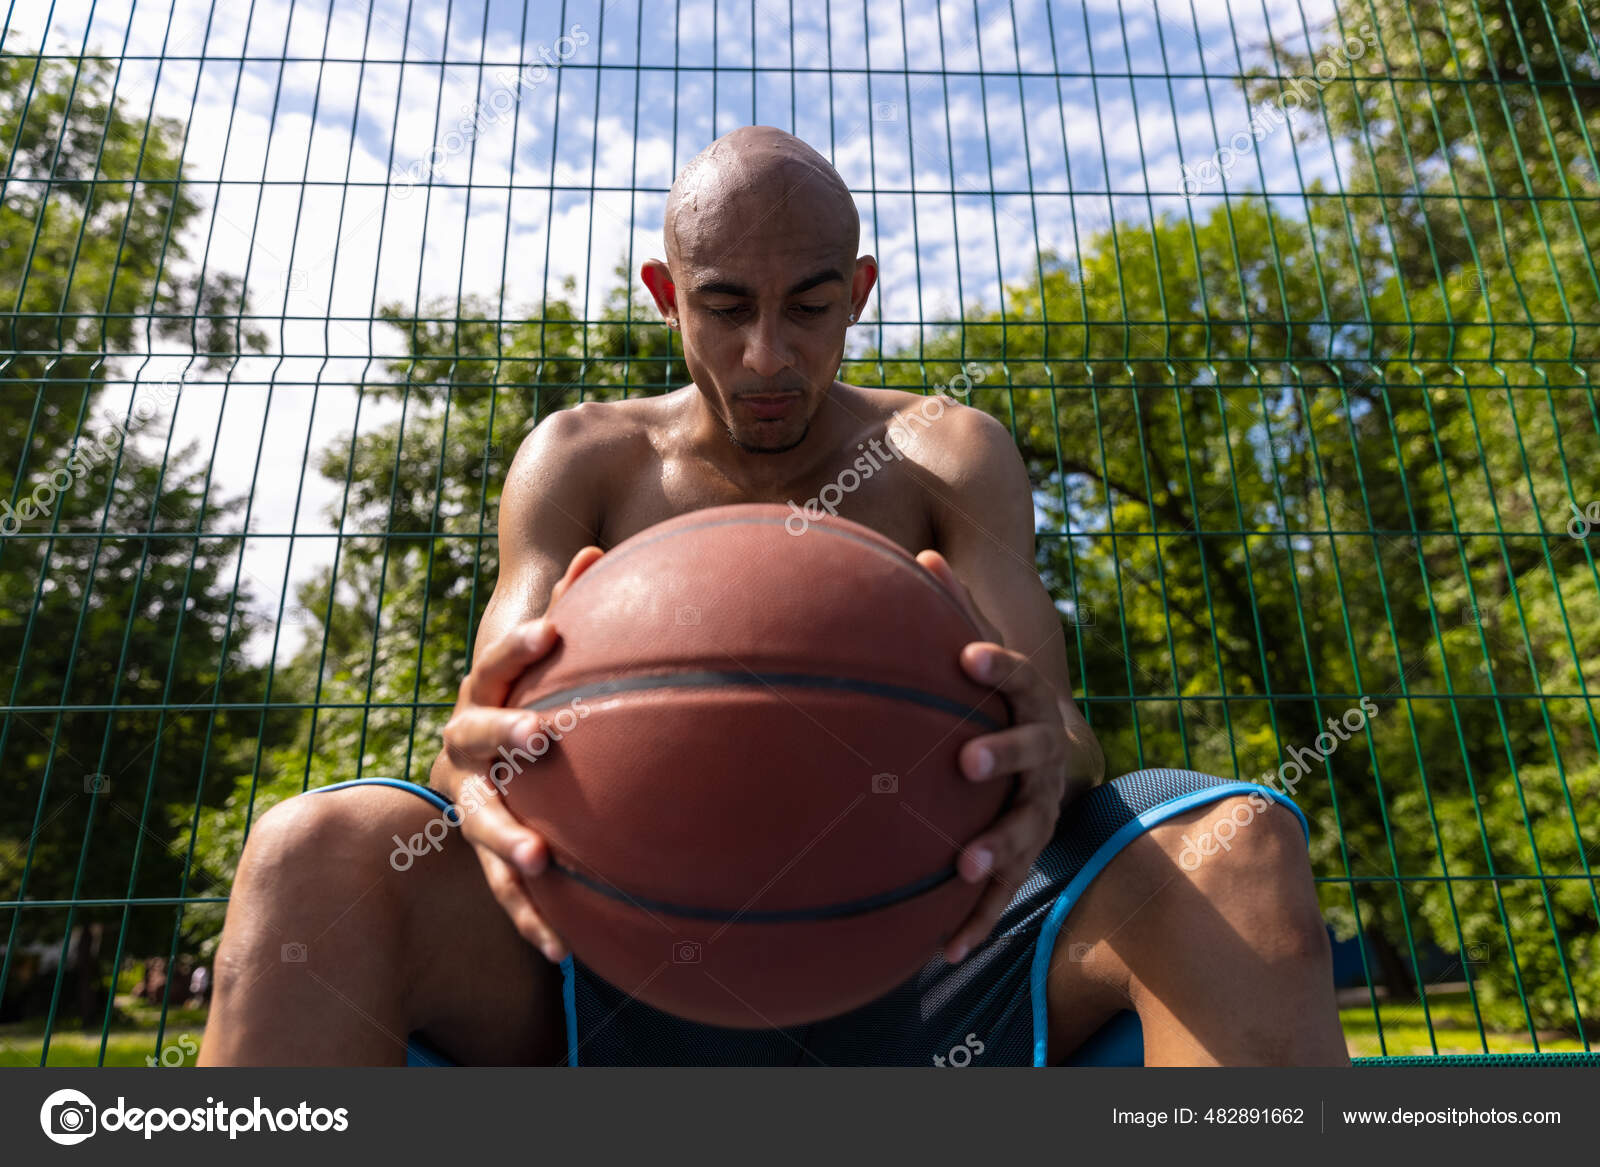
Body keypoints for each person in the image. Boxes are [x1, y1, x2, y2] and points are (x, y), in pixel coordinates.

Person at [199, 126, 1346, 1068]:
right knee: (318, 849)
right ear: (664, 296)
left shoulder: (947, 455)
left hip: (931, 954)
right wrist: (474, 770)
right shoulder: (583, 461)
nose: (767, 357)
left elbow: (1064, 735)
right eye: (724, 306)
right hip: (609, 966)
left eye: (807, 307)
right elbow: (476, 740)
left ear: (859, 292)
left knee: (1238, 840)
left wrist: (1045, 751)